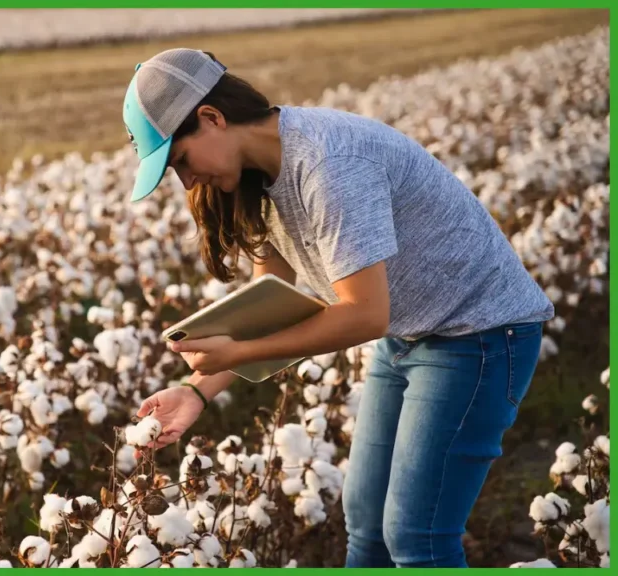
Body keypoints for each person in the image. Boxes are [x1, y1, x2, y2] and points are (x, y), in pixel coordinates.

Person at [123, 48, 555, 568]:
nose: (188, 183)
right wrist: (196, 389)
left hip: (479, 337)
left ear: (212, 118)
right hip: (410, 335)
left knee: (416, 537)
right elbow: (273, 303)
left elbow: (362, 315)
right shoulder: (262, 171)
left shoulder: (330, 164)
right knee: (367, 529)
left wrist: (239, 350)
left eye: (181, 161)